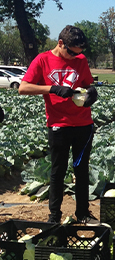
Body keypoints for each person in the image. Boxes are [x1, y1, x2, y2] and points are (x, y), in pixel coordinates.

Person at [18, 25, 99, 225]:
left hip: (83, 125)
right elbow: (23, 88)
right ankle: (54, 215)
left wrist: (91, 93)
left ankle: (83, 213)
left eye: (78, 53)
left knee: (81, 170)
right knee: (57, 171)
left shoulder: (80, 60)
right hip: (58, 125)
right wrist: (52, 89)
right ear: (60, 43)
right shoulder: (43, 60)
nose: (75, 57)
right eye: (71, 52)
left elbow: (88, 83)